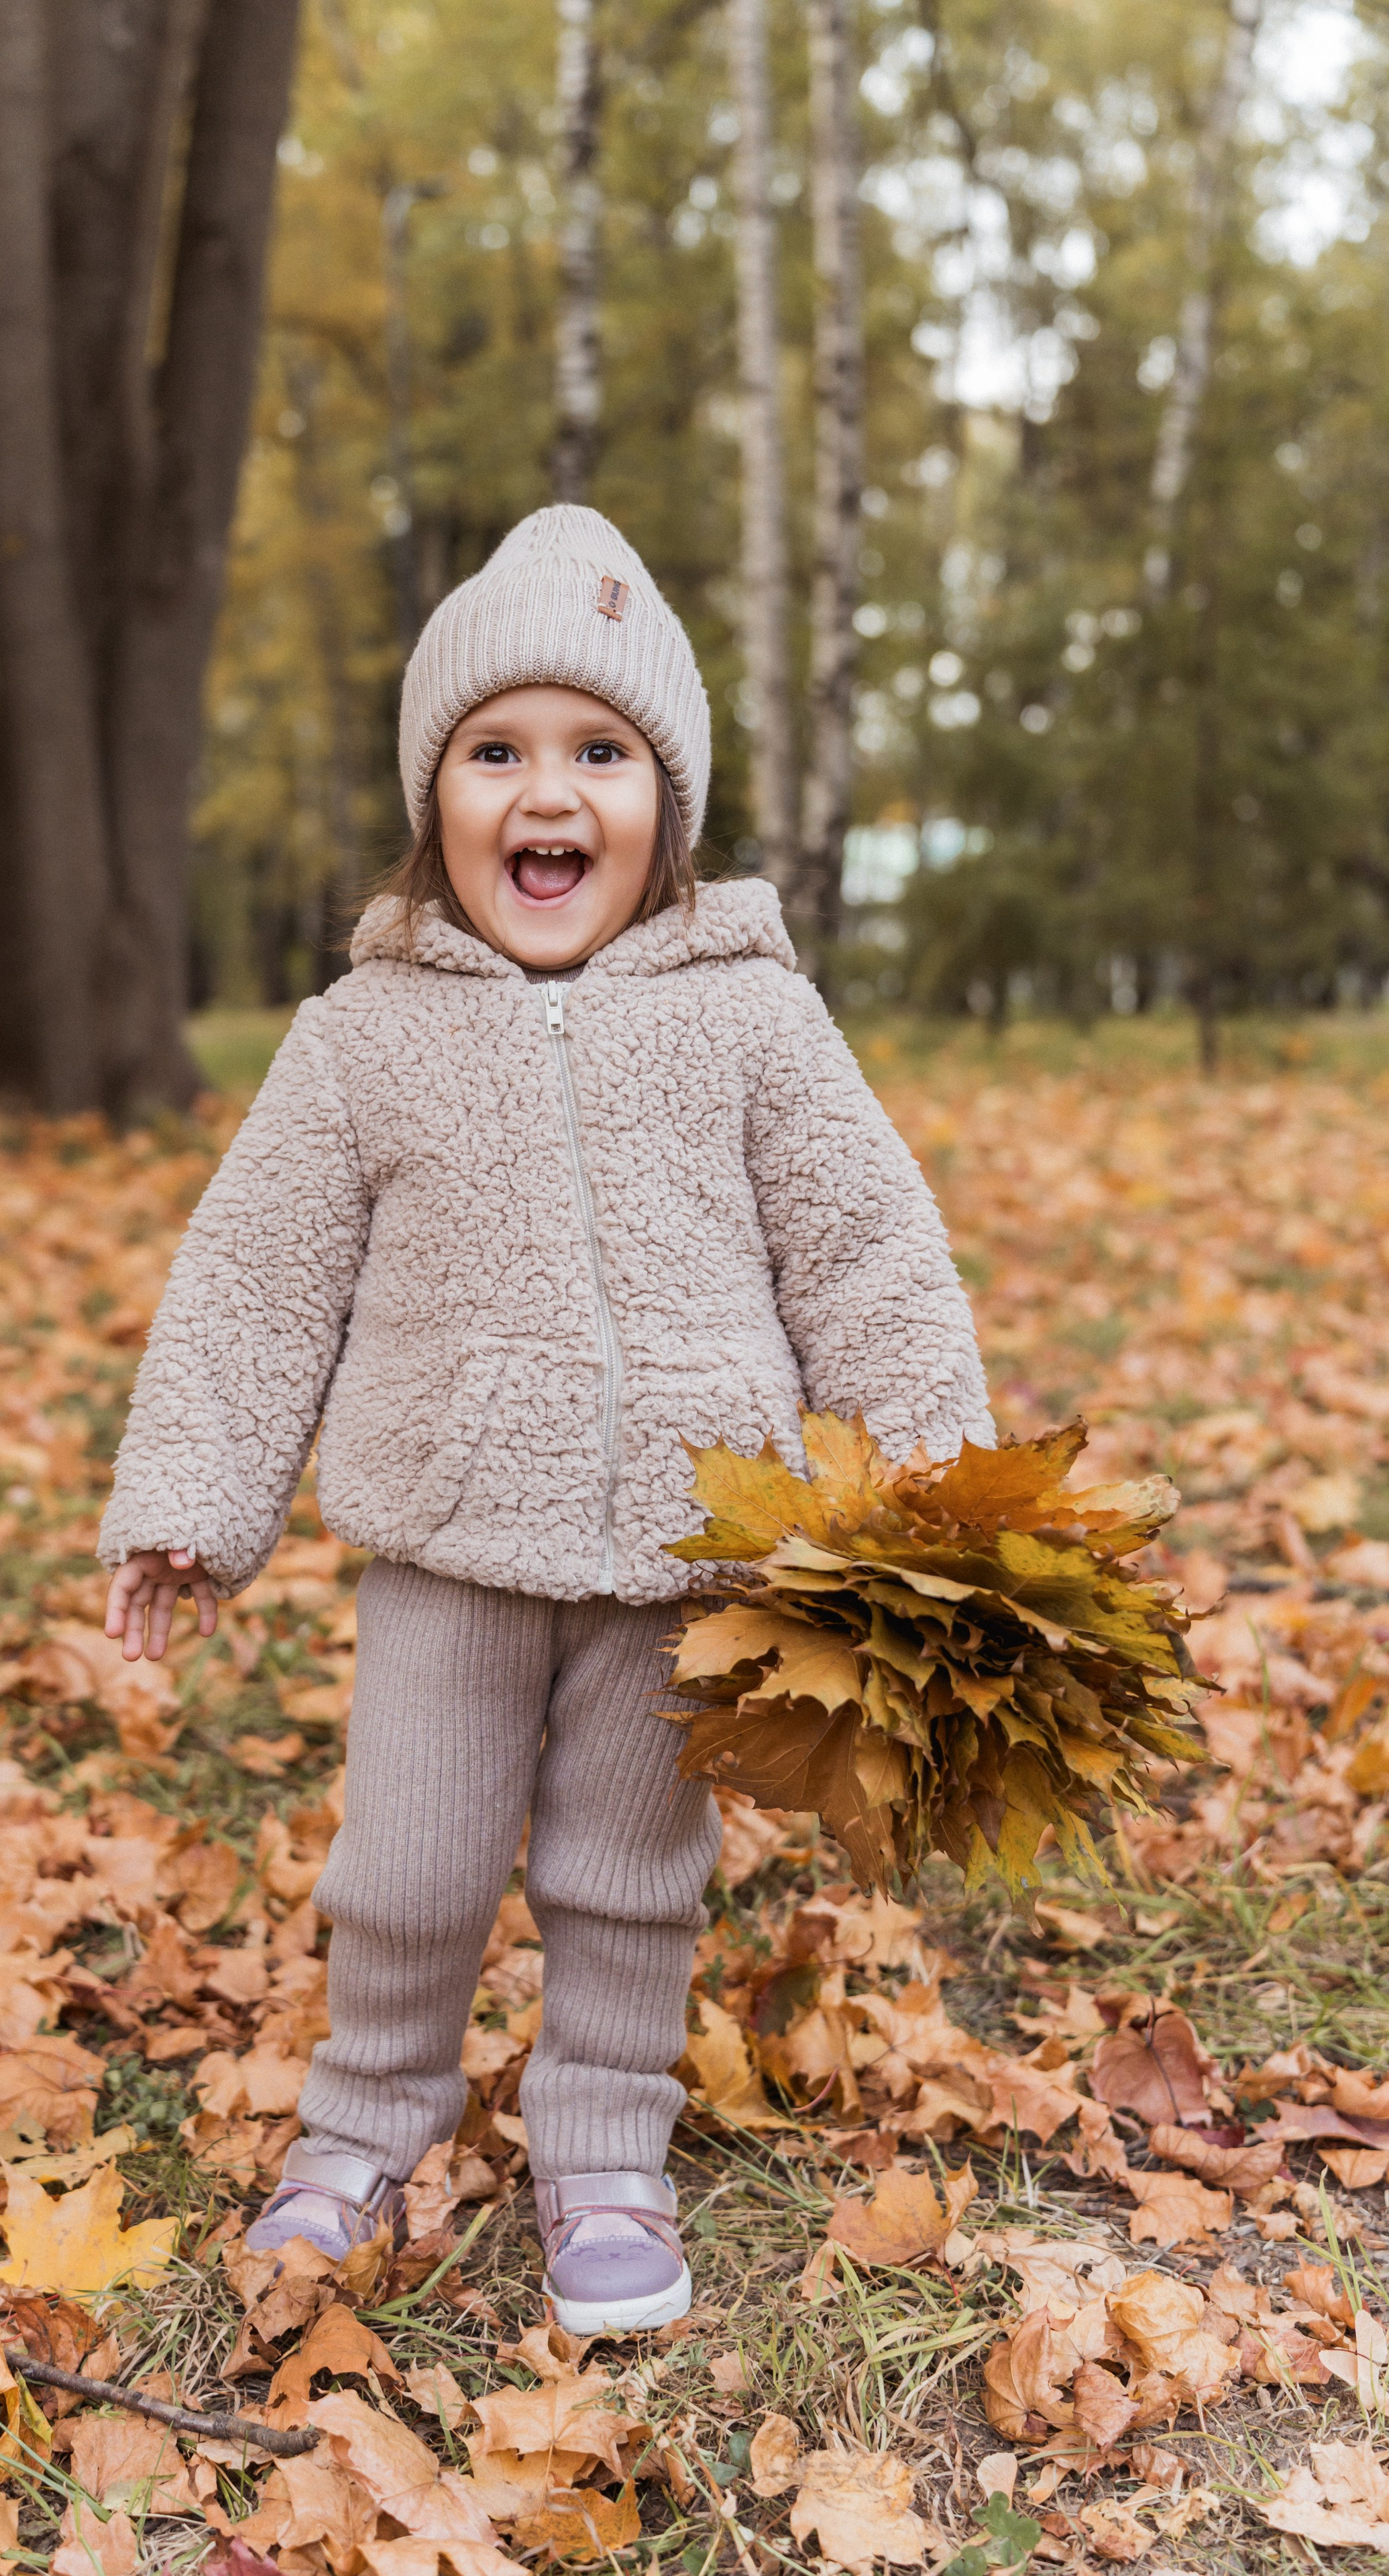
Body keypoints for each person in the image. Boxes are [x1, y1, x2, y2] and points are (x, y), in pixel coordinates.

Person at [99, 504, 992, 2334]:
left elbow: (868, 1251)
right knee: (411, 1866)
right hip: (446, 1535)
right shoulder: (365, 1033)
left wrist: (928, 1468)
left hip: (689, 1549)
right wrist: (193, 1495)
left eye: (599, 753)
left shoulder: (753, 1020)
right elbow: (258, 1277)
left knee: (627, 1867)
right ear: (436, 797)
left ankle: (603, 2148)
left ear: (667, 798)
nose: (547, 795)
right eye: (494, 752)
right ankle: (363, 2126)